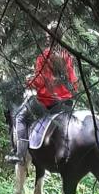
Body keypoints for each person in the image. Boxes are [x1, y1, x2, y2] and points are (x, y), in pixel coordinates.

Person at [13, 23, 78, 163]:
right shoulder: (68, 56)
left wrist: (28, 81)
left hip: (48, 101)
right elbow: (74, 82)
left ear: (49, 37)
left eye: (47, 35)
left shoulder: (44, 56)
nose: (46, 37)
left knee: (20, 117)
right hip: (66, 103)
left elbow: (41, 82)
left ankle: (19, 154)